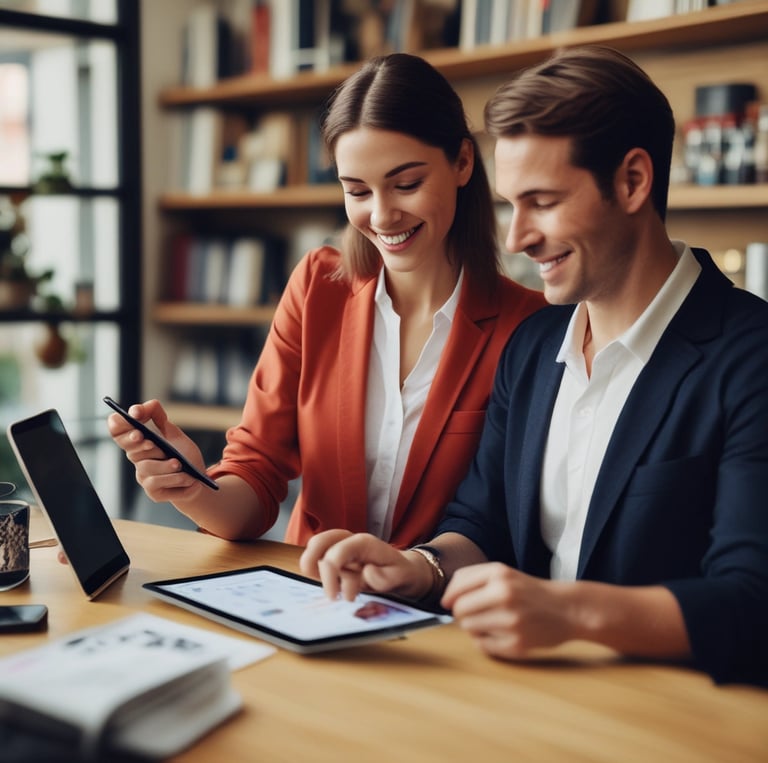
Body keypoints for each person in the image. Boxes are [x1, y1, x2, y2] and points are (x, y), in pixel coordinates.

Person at [300, 45, 768, 687]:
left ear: (633, 182)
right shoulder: (533, 346)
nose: (516, 238)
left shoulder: (751, 357)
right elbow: (481, 522)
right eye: (511, 205)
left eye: (542, 202)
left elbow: (753, 604)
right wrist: (421, 567)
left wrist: (570, 610)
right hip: (525, 694)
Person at [108, 53, 545, 547]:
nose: (382, 216)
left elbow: (505, 524)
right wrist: (190, 483)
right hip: (311, 598)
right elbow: (255, 479)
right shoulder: (319, 286)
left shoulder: (531, 325)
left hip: (439, 611)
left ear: (463, 162)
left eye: (407, 184)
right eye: (357, 191)